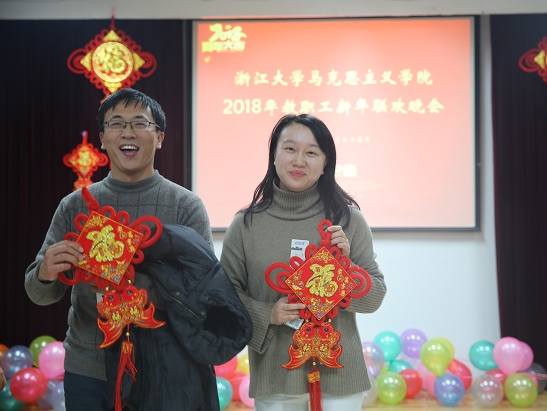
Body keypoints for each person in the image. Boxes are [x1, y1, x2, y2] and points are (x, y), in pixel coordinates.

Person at [24, 88, 217, 411]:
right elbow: (39, 294)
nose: (128, 132)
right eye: (116, 124)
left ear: (160, 138)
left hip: (163, 366)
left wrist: (150, 283)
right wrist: (46, 272)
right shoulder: (74, 206)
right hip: (89, 366)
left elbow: (206, 293)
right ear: (102, 139)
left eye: (140, 123)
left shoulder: (185, 206)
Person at [220, 113, 387, 411]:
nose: (299, 161)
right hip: (275, 374)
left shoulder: (348, 220)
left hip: (339, 373)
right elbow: (224, 298)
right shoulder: (245, 224)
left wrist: (346, 271)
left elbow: (375, 298)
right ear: (273, 156)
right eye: (290, 149)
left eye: (311, 153)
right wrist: (267, 314)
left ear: (325, 163)